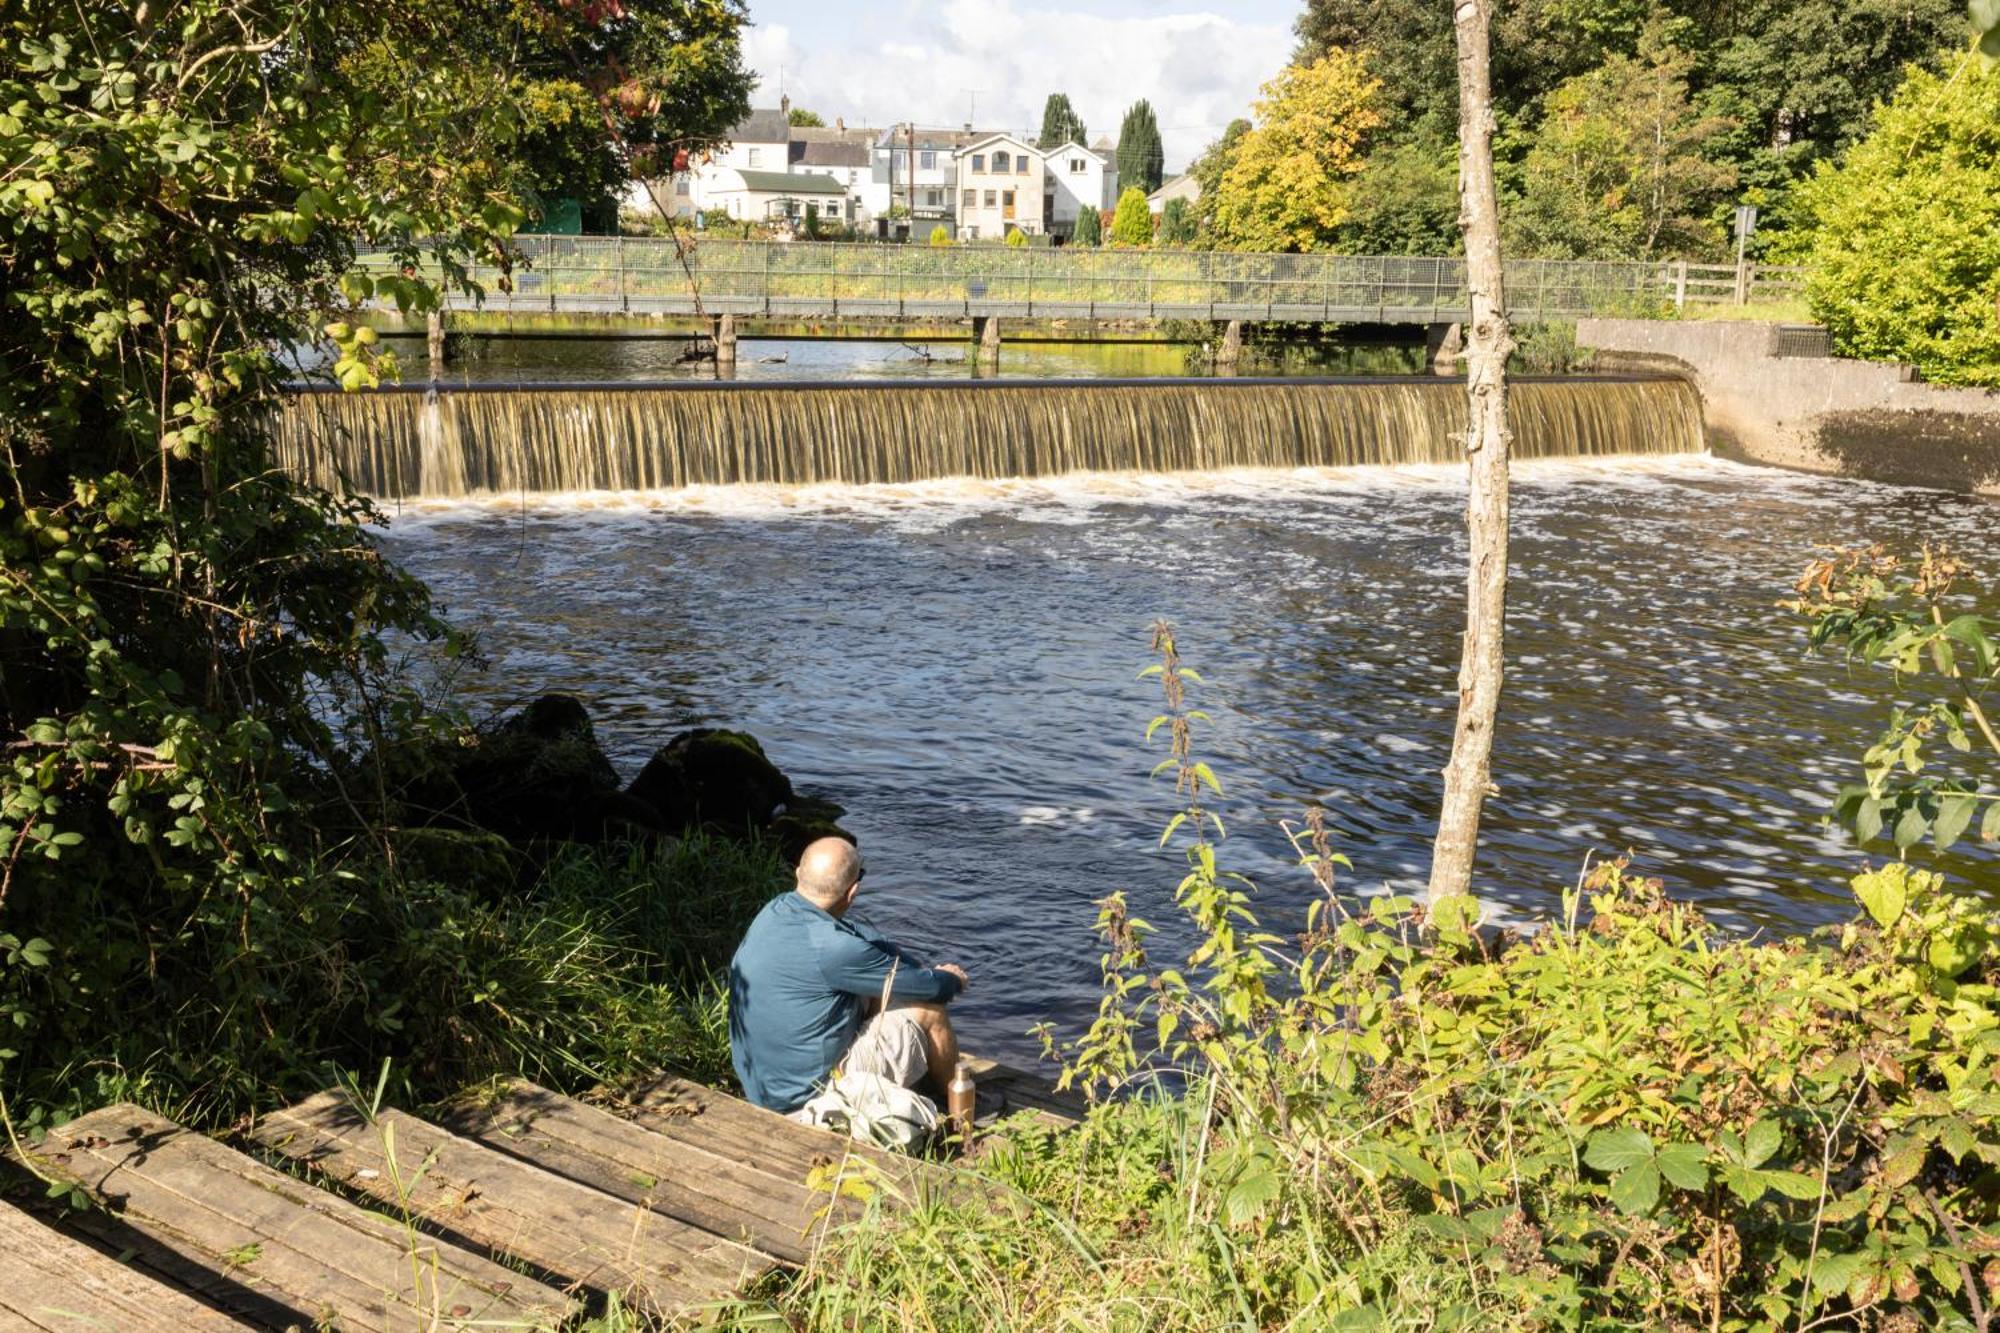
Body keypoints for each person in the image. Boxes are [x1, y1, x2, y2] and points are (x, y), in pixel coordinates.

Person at [729, 837, 969, 1115]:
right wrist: (950, 978)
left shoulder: (776, 909)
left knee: (876, 990)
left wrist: (898, 959)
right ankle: (959, 1107)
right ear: (853, 891)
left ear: (798, 874)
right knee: (929, 1011)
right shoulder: (836, 950)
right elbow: (932, 988)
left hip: (765, 1088)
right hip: (810, 1099)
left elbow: (857, 934)